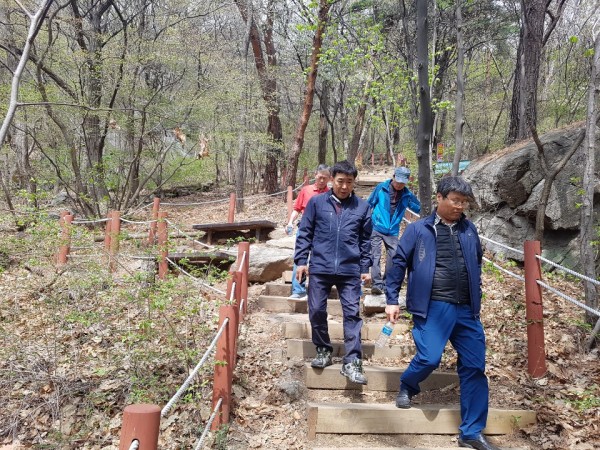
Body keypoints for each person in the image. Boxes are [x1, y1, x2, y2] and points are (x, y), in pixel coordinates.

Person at [385, 176, 500, 450]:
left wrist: (476, 296)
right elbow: (398, 262)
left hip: (467, 310)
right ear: (439, 197)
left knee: (475, 367)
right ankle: (408, 384)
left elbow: (476, 264)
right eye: (455, 200)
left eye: (464, 202)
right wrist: (391, 299)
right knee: (429, 358)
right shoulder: (419, 229)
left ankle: (471, 432)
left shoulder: (469, 230)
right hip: (433, 306)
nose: (460, 206)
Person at [294, 160, 372, 384]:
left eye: (349, 182)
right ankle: (323, 349)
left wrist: (365, 268)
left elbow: (366, 240)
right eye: (340, 181)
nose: (344, 186)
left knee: (352, 314)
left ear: (354, 182)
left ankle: (352, 361)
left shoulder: (362, 207)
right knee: (316, 310)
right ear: (331, 180)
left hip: (350, 269)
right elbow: (305, 232)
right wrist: (301, 261)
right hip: (320, 266)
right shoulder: (317, 203)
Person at [367, 166, 420, 296]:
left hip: (393, 230)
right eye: (398, 181)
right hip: (376, 226)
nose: (399, 185)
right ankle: (376, 284)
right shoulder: (381, 188)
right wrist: (365, 221)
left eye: (403, 183)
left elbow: (419, 208)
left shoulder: (407, 194)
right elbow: (369, 204)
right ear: (394, 177)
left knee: (393, 256)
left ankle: (387, 284)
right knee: (375, 255)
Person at [286, 164, 331, 299]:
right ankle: (298, 290)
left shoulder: (330, 194)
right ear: (315, 175)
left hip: (322, 232)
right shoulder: (306, 190)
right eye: (320, 177)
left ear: (329, 178)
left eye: (325, 178)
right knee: (300, 258)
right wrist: (290, 222)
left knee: (320, 260)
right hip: (305, 229)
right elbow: (297, 209)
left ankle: (319, 290)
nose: (322, 180)